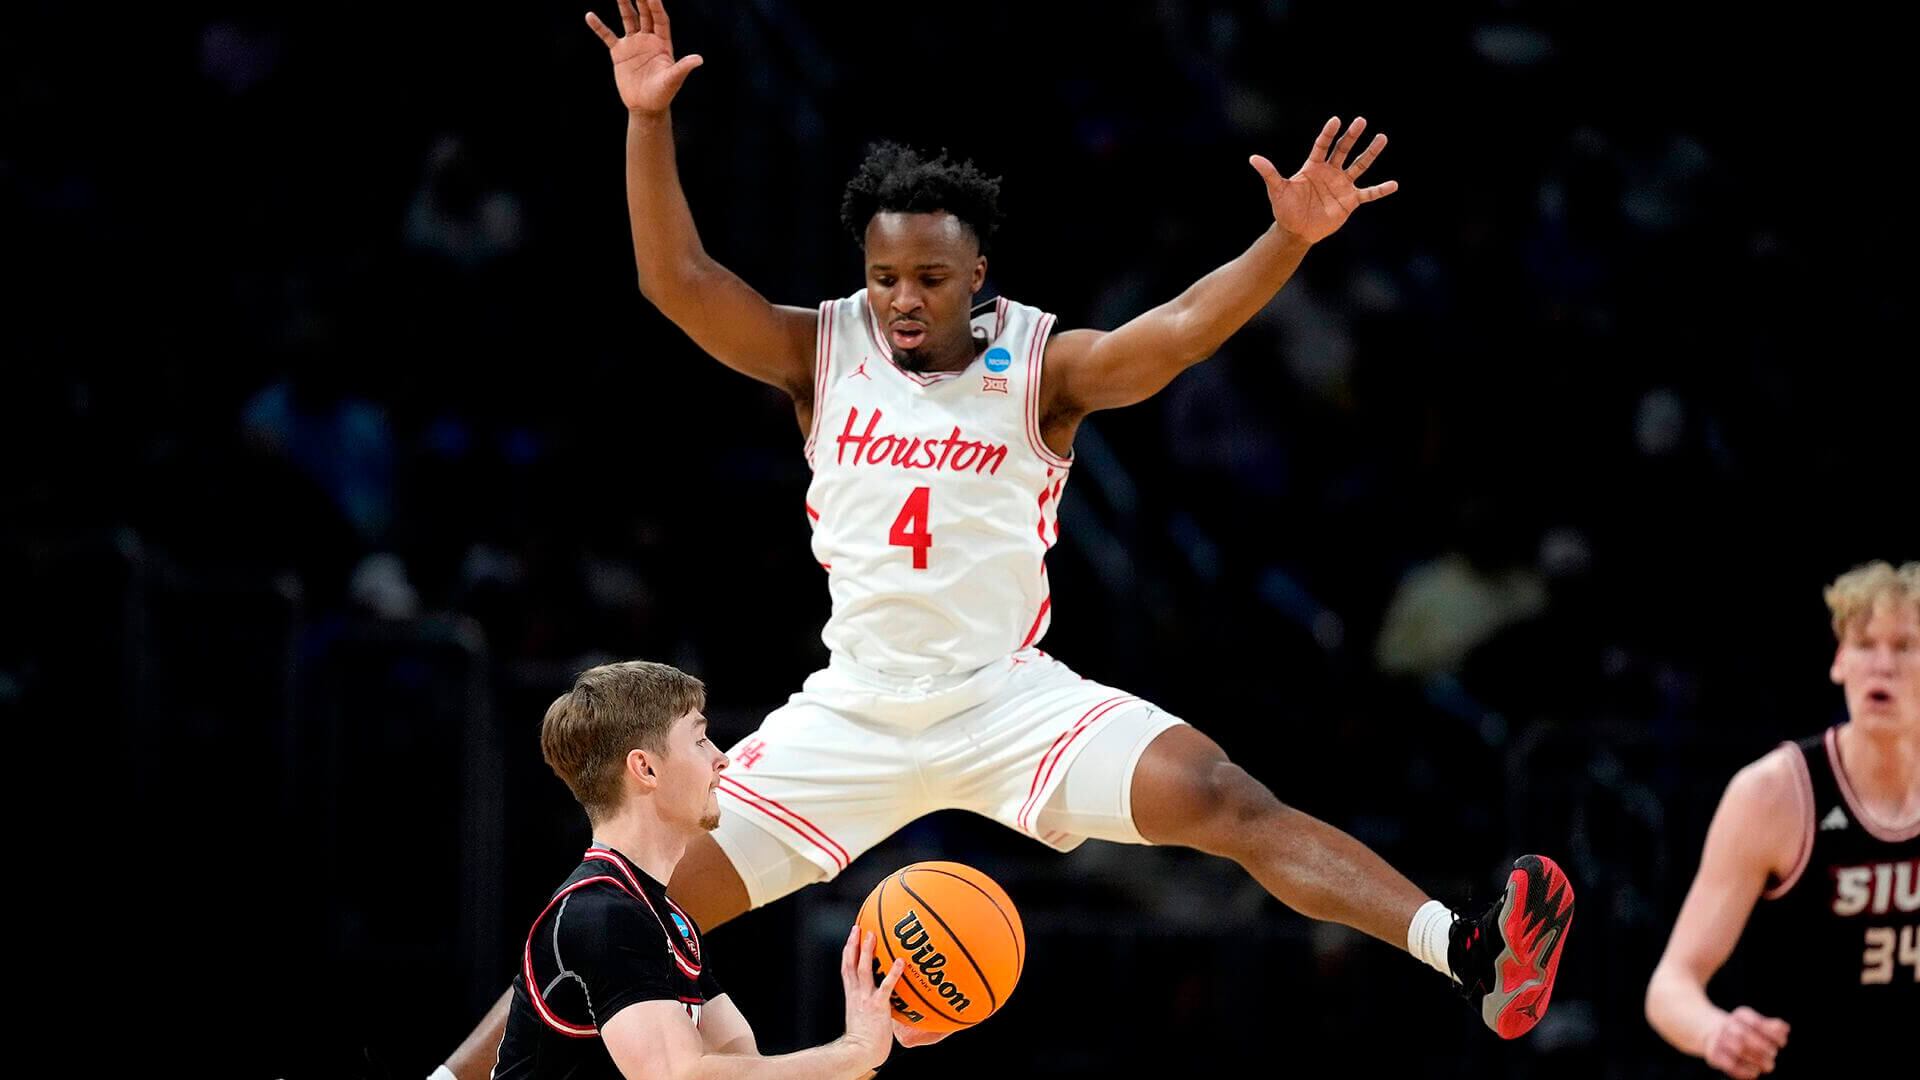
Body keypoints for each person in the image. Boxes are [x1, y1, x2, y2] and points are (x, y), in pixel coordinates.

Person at [437, 3, 1577, 1074]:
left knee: (1227, 799)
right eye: (884, 276)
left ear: (976, 273)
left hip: (1005, 702)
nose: (902, 298)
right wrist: (647, 120)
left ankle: (1468, 950)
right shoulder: (820, 351)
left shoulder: (1041, 367)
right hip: (853, 713)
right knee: (616, 905)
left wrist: (1286, 240)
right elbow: (675, 280)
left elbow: (1178, 334)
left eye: (929, 277)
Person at [488, 659, 912, 1080]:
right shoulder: (600, 914)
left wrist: (875, 1035)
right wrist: (854, 1052)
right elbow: (681, 1076)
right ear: (646, 769)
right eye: (700, 740)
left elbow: (751, 1070)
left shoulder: (668, 920)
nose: (721, 759)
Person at [1646, 561, 1919, 1077]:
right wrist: (1714, 1030)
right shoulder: (1774, 794)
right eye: (1864, 644)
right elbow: (1671, 983)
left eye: (1905, 646)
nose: (1882, 665)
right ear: (1839, 662)